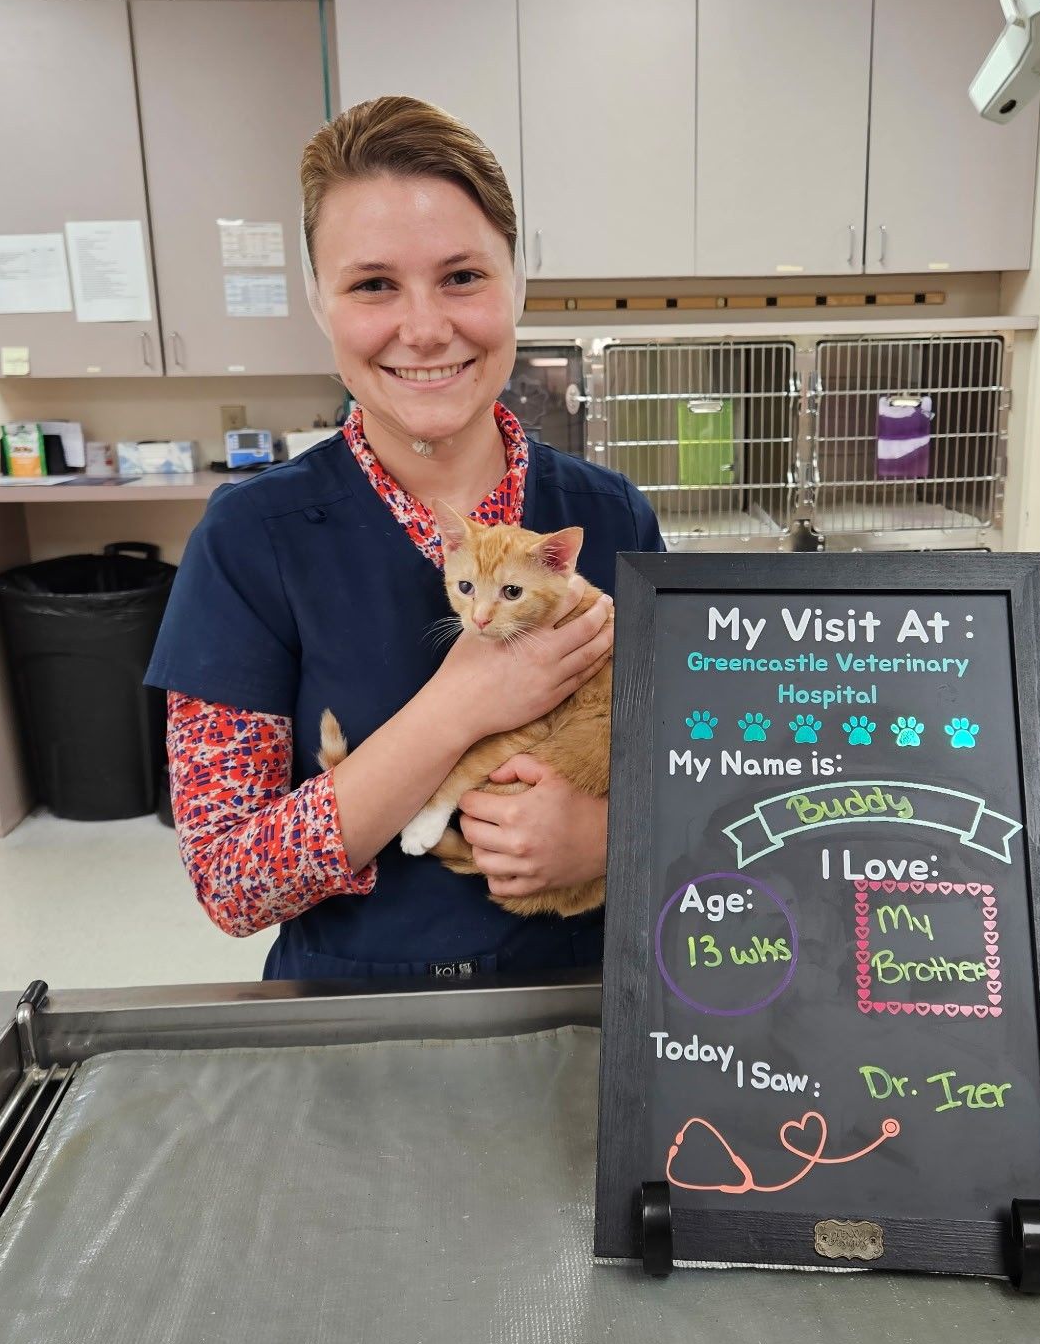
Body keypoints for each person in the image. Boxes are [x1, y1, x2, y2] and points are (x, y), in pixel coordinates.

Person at [146, 95, 662, 982]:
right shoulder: (249, 542)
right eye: (373, 284)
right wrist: (460, 704)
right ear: (319, 301)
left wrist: (611, 837)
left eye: (463, 277)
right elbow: (232, 883)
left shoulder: (611, 517)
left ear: (518, 284)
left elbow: (695, 771)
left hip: (590, 1010)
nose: (424, 329)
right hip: (355, 1021)